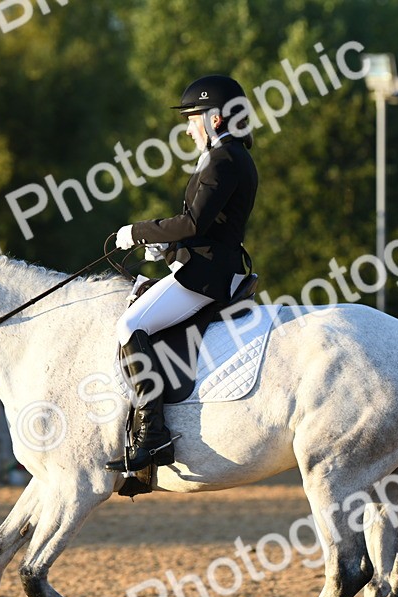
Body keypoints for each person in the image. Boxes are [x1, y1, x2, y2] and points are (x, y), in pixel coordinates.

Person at [105, 74, 259, 472]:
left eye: (194, 118)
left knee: (129, 327)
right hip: (206, 264)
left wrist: (136, 232)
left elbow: (193, 223)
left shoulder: (224, 160)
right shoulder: (229, 157)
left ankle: (152, 436)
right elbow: (207, 228)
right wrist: (165, 246)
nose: (189, 128)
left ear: (218, 119)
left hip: (206, 276)